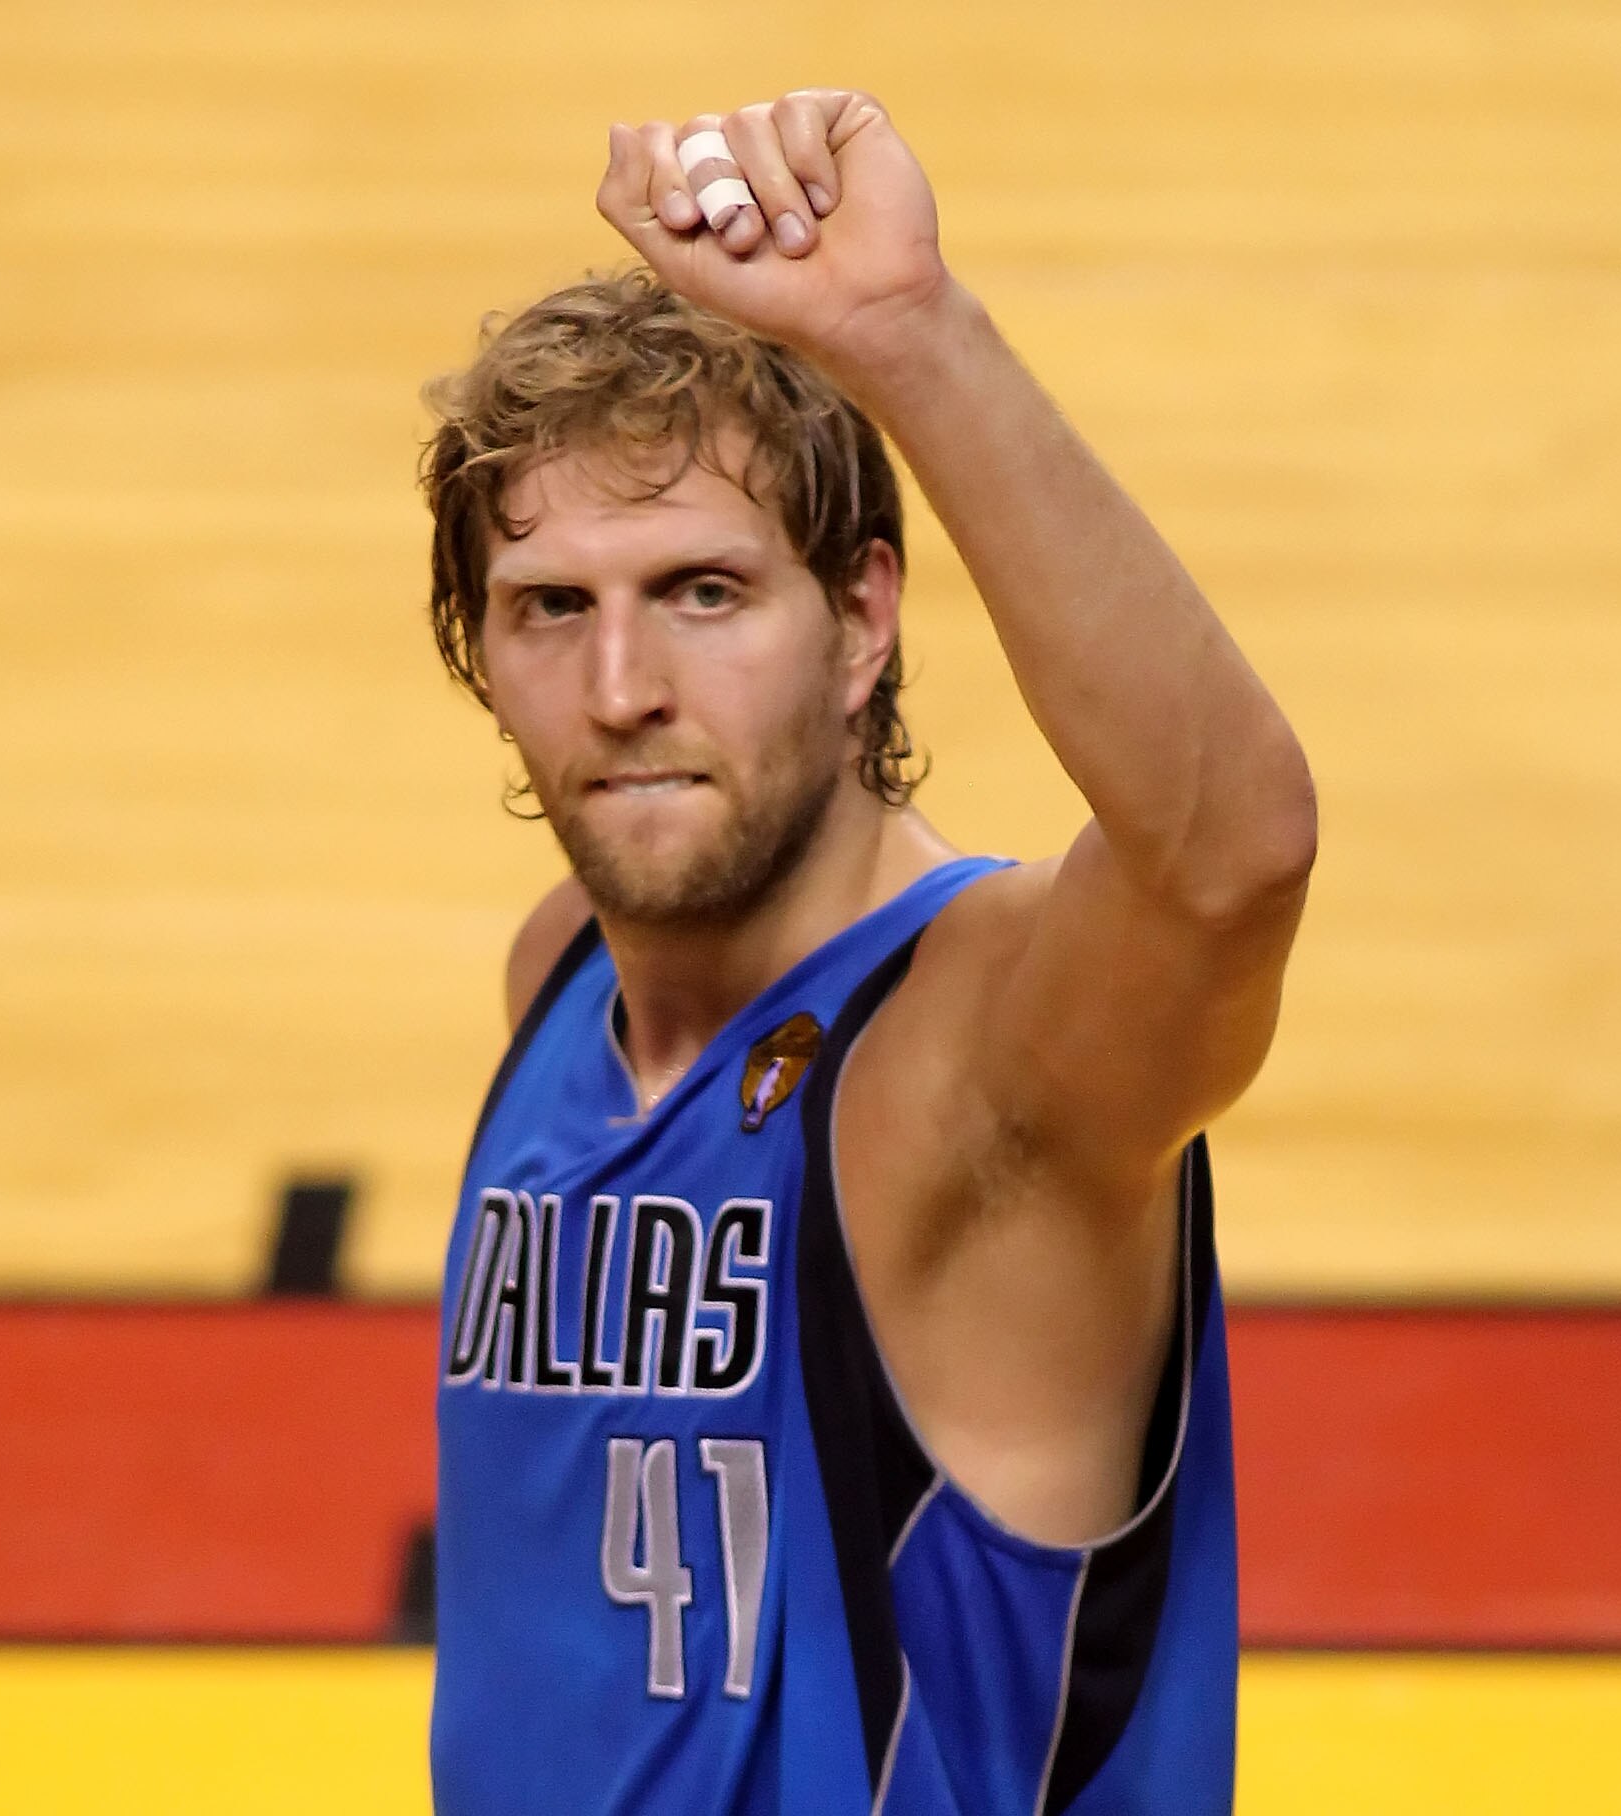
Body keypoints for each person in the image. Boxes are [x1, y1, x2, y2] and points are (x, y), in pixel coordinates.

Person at [420, 89, 1314, 1815]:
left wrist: (907, 333)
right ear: (480, 651)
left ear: (860, 622)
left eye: (703, 591)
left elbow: (1230, 860)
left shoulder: (969, 1055)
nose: (622, 692)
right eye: (553, 608)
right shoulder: (558, 991)